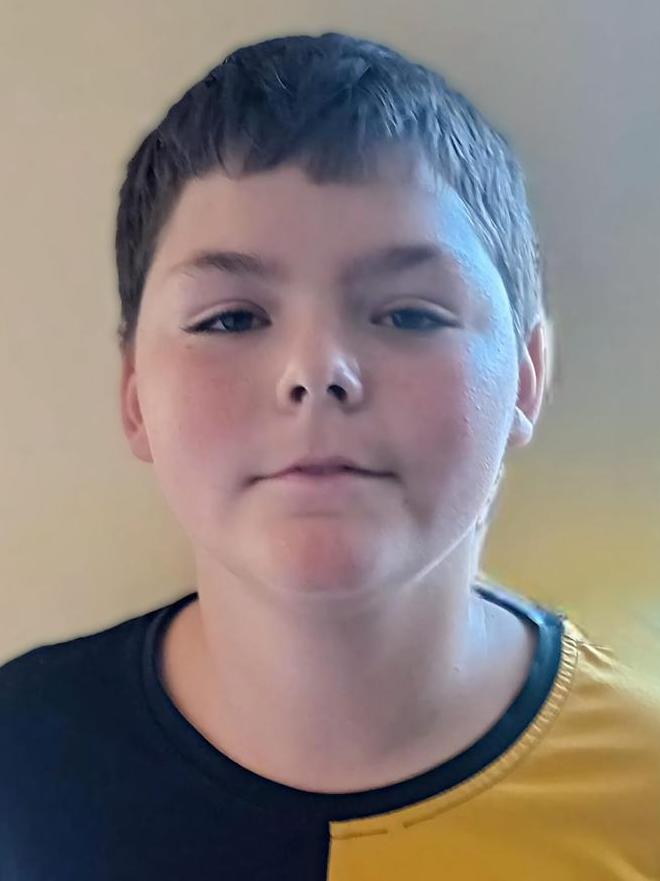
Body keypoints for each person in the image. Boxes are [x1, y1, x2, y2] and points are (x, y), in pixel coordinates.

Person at [1, 31, 658, 880]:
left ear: (527, 379)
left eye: (410, 314)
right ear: (135, 398)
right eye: (231, 318)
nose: (317, 371)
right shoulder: (19, 759)